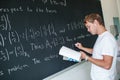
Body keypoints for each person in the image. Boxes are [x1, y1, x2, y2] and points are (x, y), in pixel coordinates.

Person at [75, 13, 118, 80]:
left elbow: (107, 65)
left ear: (95, 22)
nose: (88, 30)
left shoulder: (107, 39)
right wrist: (82, 48)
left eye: (89, 26)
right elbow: (97, 51)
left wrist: (86, 57)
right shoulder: (101, 37)